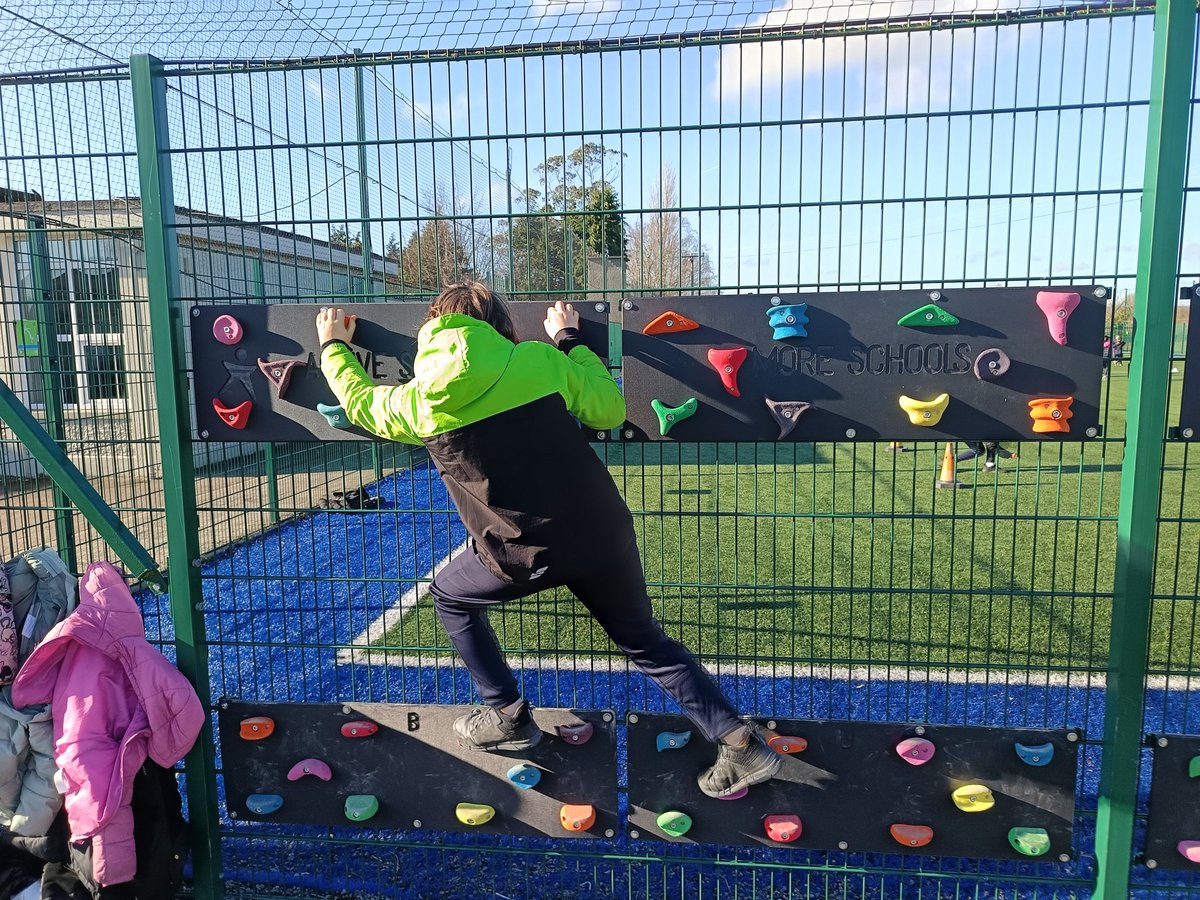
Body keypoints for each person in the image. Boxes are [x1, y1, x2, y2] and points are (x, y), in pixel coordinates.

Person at [315, 282, 781, 798]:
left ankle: (509, 715)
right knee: (645, 642)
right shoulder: (537, 360)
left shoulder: (418, 402)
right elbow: (607, 411)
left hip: (518, 553)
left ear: (431, 332)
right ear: (502, 327)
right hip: (602, 532)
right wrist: (567, 340)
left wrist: (335, 347)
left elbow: (360, 403)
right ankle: (741, 744)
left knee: (450, 597)